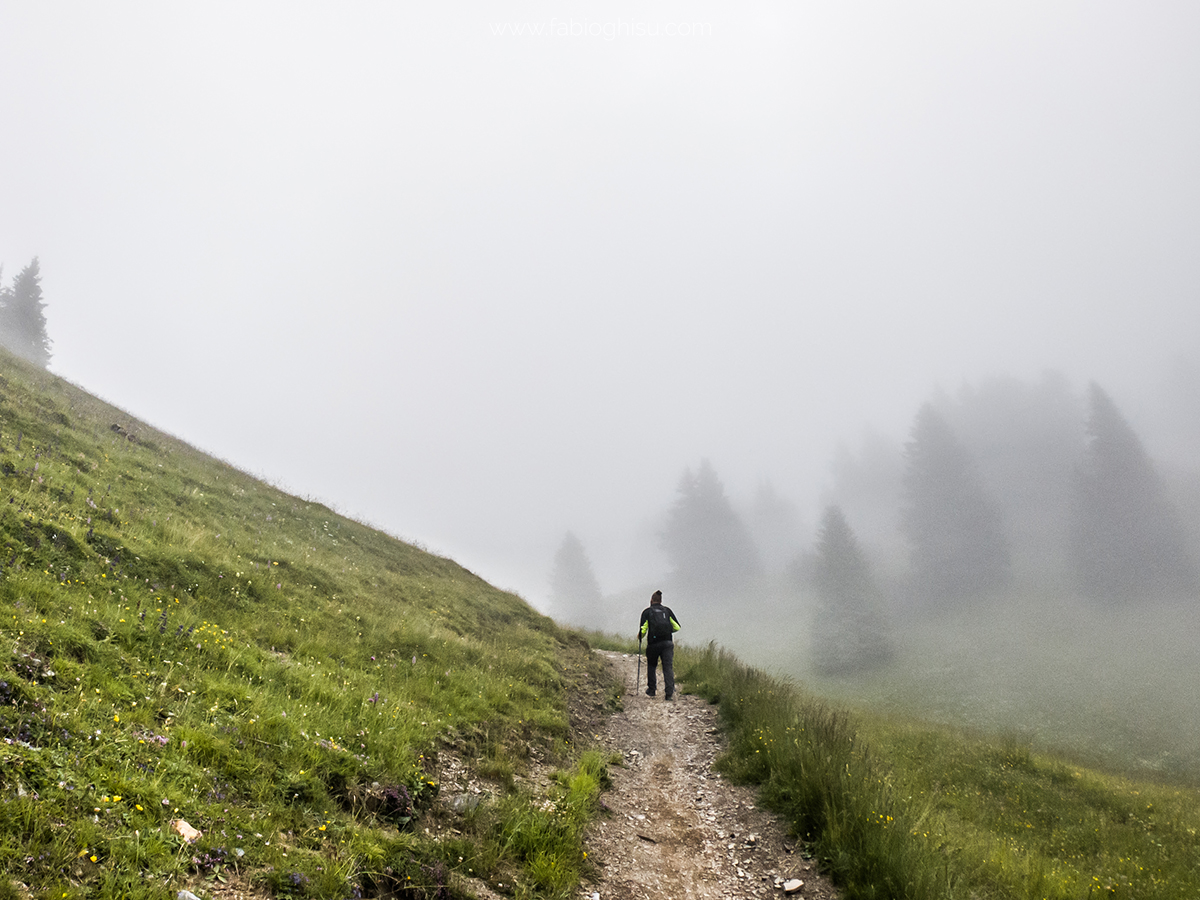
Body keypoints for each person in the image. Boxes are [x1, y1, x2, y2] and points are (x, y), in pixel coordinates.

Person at [638, 589, 680, 700]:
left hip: (653, 644)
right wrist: (667, 632)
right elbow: (677, 627)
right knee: (667, 667)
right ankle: (669, 692)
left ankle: (652, 690)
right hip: (667, 643)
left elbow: (643, 629)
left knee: (652, 666)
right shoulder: (667, 611)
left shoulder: (647, 612)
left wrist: (640, 637)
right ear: (661, 601)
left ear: (651, 600)